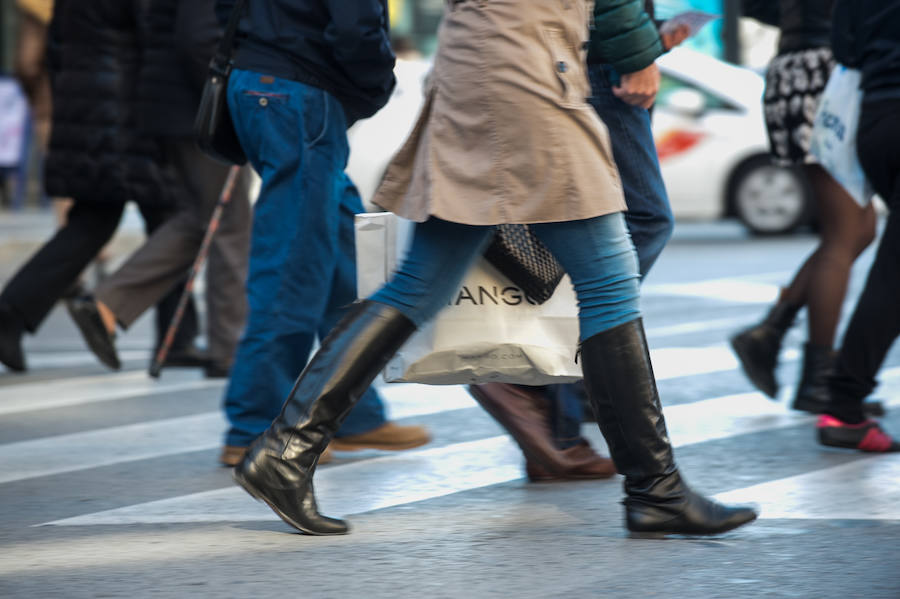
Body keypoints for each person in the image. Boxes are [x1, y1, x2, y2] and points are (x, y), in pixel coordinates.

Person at [232, 0, 758, 538]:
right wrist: (638, 49)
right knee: (609, 284)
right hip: (525, 66)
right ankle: (656, 490)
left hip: (493, 60)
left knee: (419, 285)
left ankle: (284, 452)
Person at [468, 0, 689, 483]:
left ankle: (549, 418)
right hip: (591, 57)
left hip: (557, 50)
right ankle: (533, 386)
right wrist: (637, 51)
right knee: (641, 221)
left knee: (568, 226)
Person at [212, 0, 430, 467]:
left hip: (269, 83)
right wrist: (374, 86)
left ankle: (352, 415)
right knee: (292, 269)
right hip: (295, 91)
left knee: (342, 266)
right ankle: (256, 424)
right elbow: (356, 25)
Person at [0, 0, 196, 374]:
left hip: (87, 103)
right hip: (127, 108)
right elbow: (154, 40)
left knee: (99, 217)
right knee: (171, 216)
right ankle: (176, 337)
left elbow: (51, 50)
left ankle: (11, 312)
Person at [66, 0, 253, 378]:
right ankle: (229, 349)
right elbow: (200, 38)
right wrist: (235, 96)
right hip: (200, 109)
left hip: (175, 104)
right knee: (228, 225)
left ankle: (108, 303)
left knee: (199, 221)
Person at [730, 0, 881, 416]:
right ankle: (817, 381)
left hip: (792, 67)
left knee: (859, 228)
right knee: (845, 233)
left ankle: (770, 333)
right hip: (829, 72)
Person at [816, 0, 900, 452]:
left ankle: (844, 402)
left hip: (878, 119)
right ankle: (844, 405)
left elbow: (845, 48)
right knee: (894, 276)